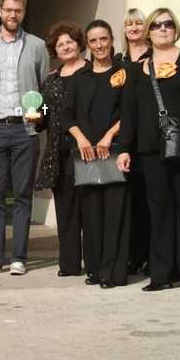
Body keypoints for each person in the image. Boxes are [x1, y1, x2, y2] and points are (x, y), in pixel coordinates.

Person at [117, 8, 180, 294]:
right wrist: (124, 148)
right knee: (159, 212)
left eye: (168, 24)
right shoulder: (138, 69)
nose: (162, 28)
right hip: (150, 150)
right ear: (149, 32)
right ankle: (162, 273)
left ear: (176, 28)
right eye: (156, 25)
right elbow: (129, 112)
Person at [0, 0, 50, 277]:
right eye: (8, 10)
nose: (13, 14)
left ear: (23, 13)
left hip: (24, 131)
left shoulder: (37, 46)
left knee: (22, 196)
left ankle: (19, 257)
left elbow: (43, 87)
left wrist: (37, 114)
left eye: (18, 10)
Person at [62, 20, 130, 288]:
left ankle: (112, 273)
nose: (99, 45)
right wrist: (81, 138)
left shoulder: (124, 73)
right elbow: (67, 115)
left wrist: (109, 135)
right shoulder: (81, 77)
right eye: (93, 41)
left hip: (115, 152)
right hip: (87, 155)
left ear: (112, 40)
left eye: (103, 39)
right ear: (87, 45)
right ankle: (94, 269)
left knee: (115, 214)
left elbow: (131, 112)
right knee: (91, 215)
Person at [34, 21, 88, 277]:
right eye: (60, 44)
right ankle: (69, 264)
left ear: (79, 44)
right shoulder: (51, 80)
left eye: (69, 42)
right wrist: (35, 118)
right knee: (65, 210)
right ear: (55, 50)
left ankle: (95, 264)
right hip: (59, 152)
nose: (65, 47)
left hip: (88, 150)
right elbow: (43, 117)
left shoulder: (92, 72)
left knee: (90, 209)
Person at [114, 8, 152, 276]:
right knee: (130, 202)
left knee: (149, 200)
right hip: (122, 139)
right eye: (129, 24)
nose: (134, 28)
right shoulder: (119, 60)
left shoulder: (155, 57)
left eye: (139, 23)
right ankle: (132, 255)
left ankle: (150, 255)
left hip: (147, 137)